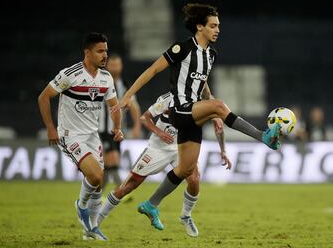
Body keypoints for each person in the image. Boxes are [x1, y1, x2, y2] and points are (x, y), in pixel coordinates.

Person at [120, 3, 281, 230]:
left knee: (186, 169)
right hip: (179, 109)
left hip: (192, 114)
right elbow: (152, 70)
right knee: (219, 105)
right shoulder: (182, 48)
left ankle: (152, 203)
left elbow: (202, 85)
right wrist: (128, 96)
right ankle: (263, 136)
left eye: (218, 26)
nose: (217, 30)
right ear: (199, 27)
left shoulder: (210, 55)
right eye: (213, 26)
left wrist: (214, 111)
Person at [97, 92, 231, 237]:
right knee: (128, 186)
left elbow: (219, 127)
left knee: (194, 179)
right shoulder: (169, 98)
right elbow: (145, 118)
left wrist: (223, 150)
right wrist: (159, 133)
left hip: (181, 148)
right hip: (158, 148)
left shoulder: (202, 103)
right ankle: (94, 223)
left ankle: (185, 216)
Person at [38, 32, 123, 241]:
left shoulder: (106, 77)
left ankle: (90, 230)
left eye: (106, 51)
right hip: (70, 135)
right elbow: (44, 97)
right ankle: (81, 205)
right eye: (100, 51)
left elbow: (114, 106)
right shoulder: (70, 74)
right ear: (87, 52)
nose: (105, 55)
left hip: (92, 136)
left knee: (99, 181)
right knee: (95, 176)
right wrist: (50, 127)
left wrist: (118, 127)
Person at [99, 54, 142, 190]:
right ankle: (121, 191)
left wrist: (137, 125)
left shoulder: (124, 84)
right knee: (112, 160)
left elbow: (134, 105)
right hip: (101, 130)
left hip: (117, 130)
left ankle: (97, 195)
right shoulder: (99, 81)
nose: (115, 68)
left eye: (118, 65)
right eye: (113, 65)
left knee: (108, 165)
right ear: (107, 65)